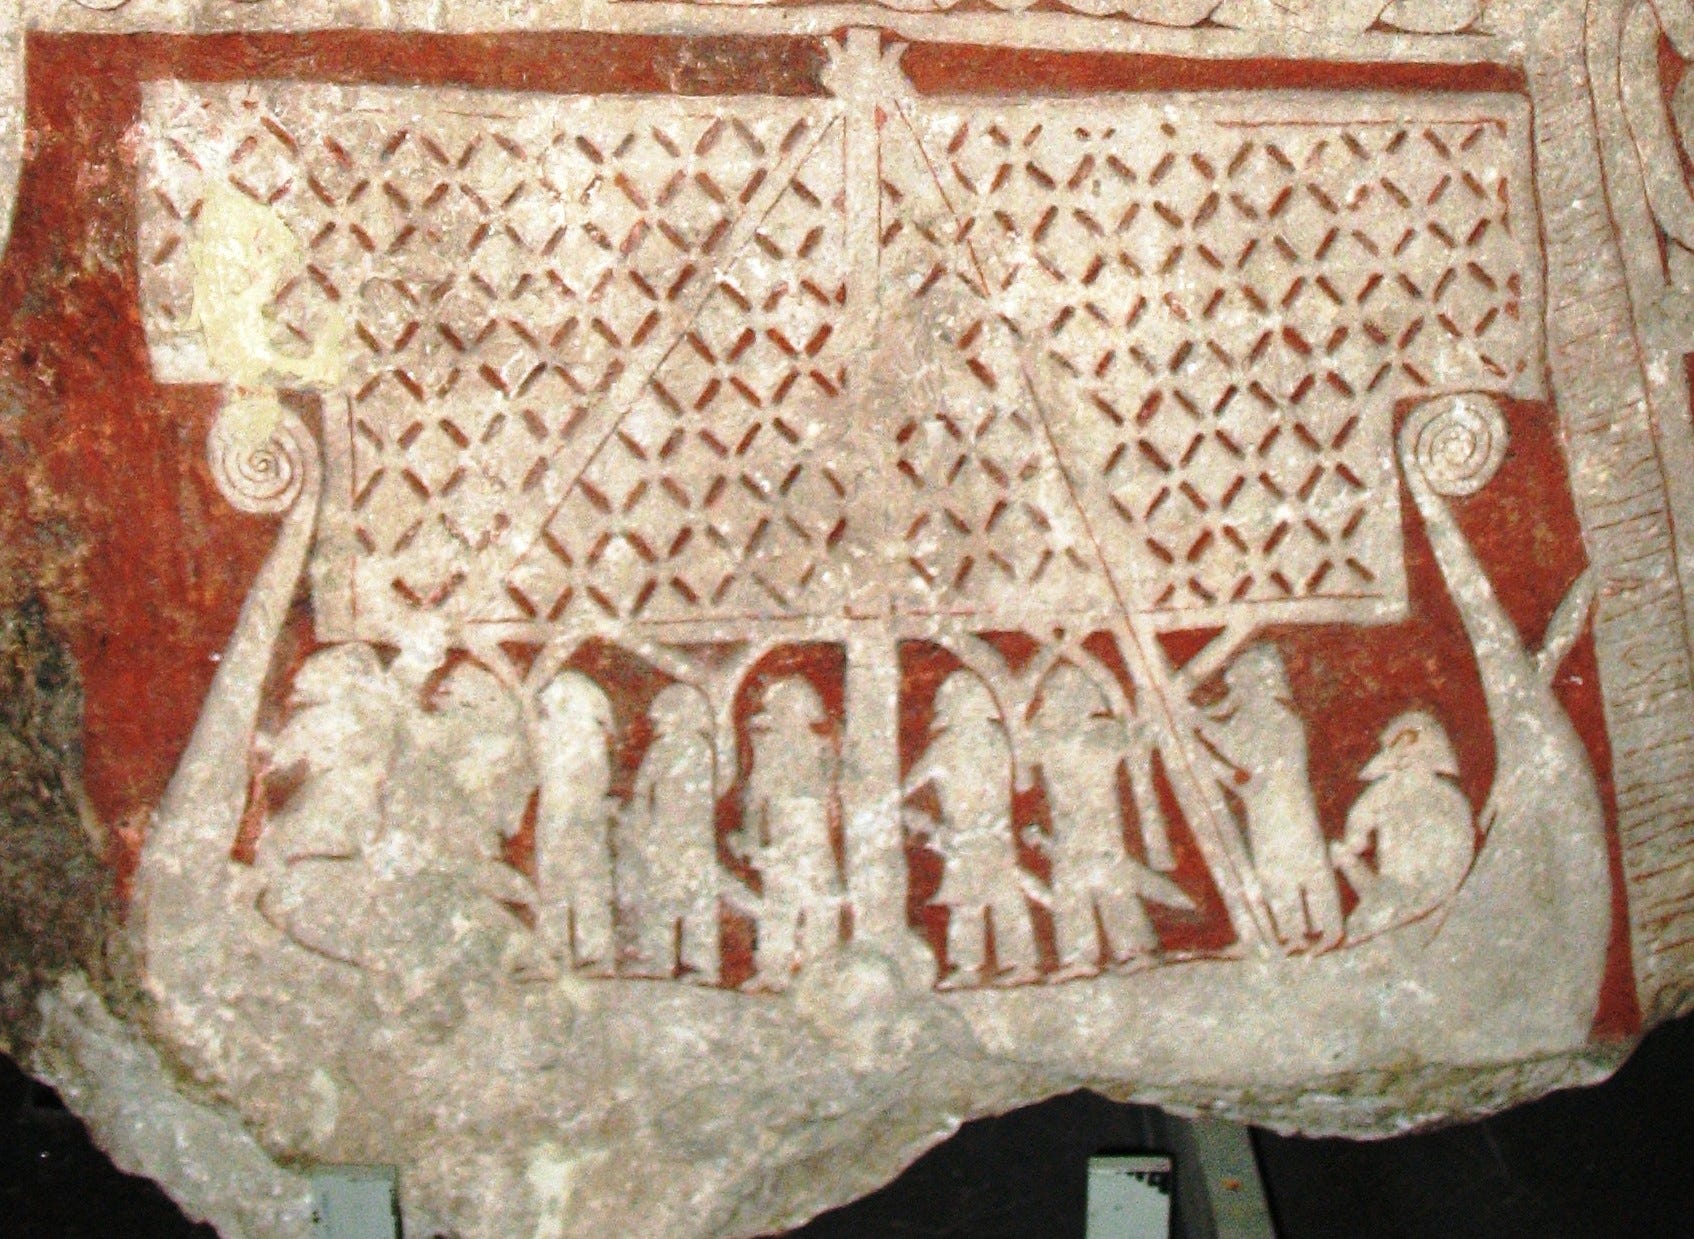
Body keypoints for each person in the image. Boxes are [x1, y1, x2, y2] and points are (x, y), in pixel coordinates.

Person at [1033, 663, 1193, 981]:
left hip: (1093, 828)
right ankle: (1087, 957)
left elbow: (1138, 738)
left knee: (1106, 889)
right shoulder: (1073, 737)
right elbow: (1138, 737)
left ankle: (1127, 951)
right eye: (1056, 695)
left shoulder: (1091, 736)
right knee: (1082, 890)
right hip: (1074, 829)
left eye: (1062, 695)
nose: (1056, 701)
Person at [1201, 643, 1342, 951]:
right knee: (1273, 872)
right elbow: (1233, 745)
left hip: (1286, 806)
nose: (1237, 693)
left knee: (1303, 867)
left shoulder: (1278, 718)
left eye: (1243, 685)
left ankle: (1326, 929)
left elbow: (1242, 754)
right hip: (1265, 808)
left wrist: (1201, 726)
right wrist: (1203, 727)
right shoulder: (1250, 717)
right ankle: (1292, 933)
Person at [904, 669, 1039, 989]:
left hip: (989, 836)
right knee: (969, 902)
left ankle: (1019, 963)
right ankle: (971, 965)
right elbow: (908, 787)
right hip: (965, 838)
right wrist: (915, 817)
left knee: (1002, 898)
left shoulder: (993, 742)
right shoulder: (949, 747)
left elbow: (1019, 785)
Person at [729, 676, 842, 992]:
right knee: (780, 904)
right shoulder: (770, 750)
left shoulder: (822, 749)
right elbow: (755, 799)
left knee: (820, 903)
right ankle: (773, 970)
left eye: (789, 710)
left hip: (813, 837)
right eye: (780, 710)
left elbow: (832, 793)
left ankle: (821, 970)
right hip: (783, 836)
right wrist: (751, 838)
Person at [1332, 710, 1474, 941]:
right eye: (1400, 755)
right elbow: (1356, 835)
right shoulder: (1383, 793)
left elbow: (1458, 857)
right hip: (1393, 893)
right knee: (1367, 917)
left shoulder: (1447, 799)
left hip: (1435, 892)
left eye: (1415, 755)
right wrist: (1349, 852)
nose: (1405, 759)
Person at [618, 683, 722, 984]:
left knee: (690, 898)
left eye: (665, 715)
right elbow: (643, 792)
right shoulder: (668, 750)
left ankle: (697, 963)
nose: (658, 721)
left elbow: (645, 792)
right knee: (665, 897)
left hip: (686, 837)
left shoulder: (693, 750)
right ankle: (662, 959)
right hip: (671, 835)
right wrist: (643, 824)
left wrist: (645, 823)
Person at [534, 669, 619, 976]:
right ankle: (554, 950)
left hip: (578, 820)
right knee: (554, 883)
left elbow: (592, 782)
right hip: (557, 818)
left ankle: (594, 954)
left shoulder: (584, 740)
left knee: (586, 884)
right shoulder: (553, 737)